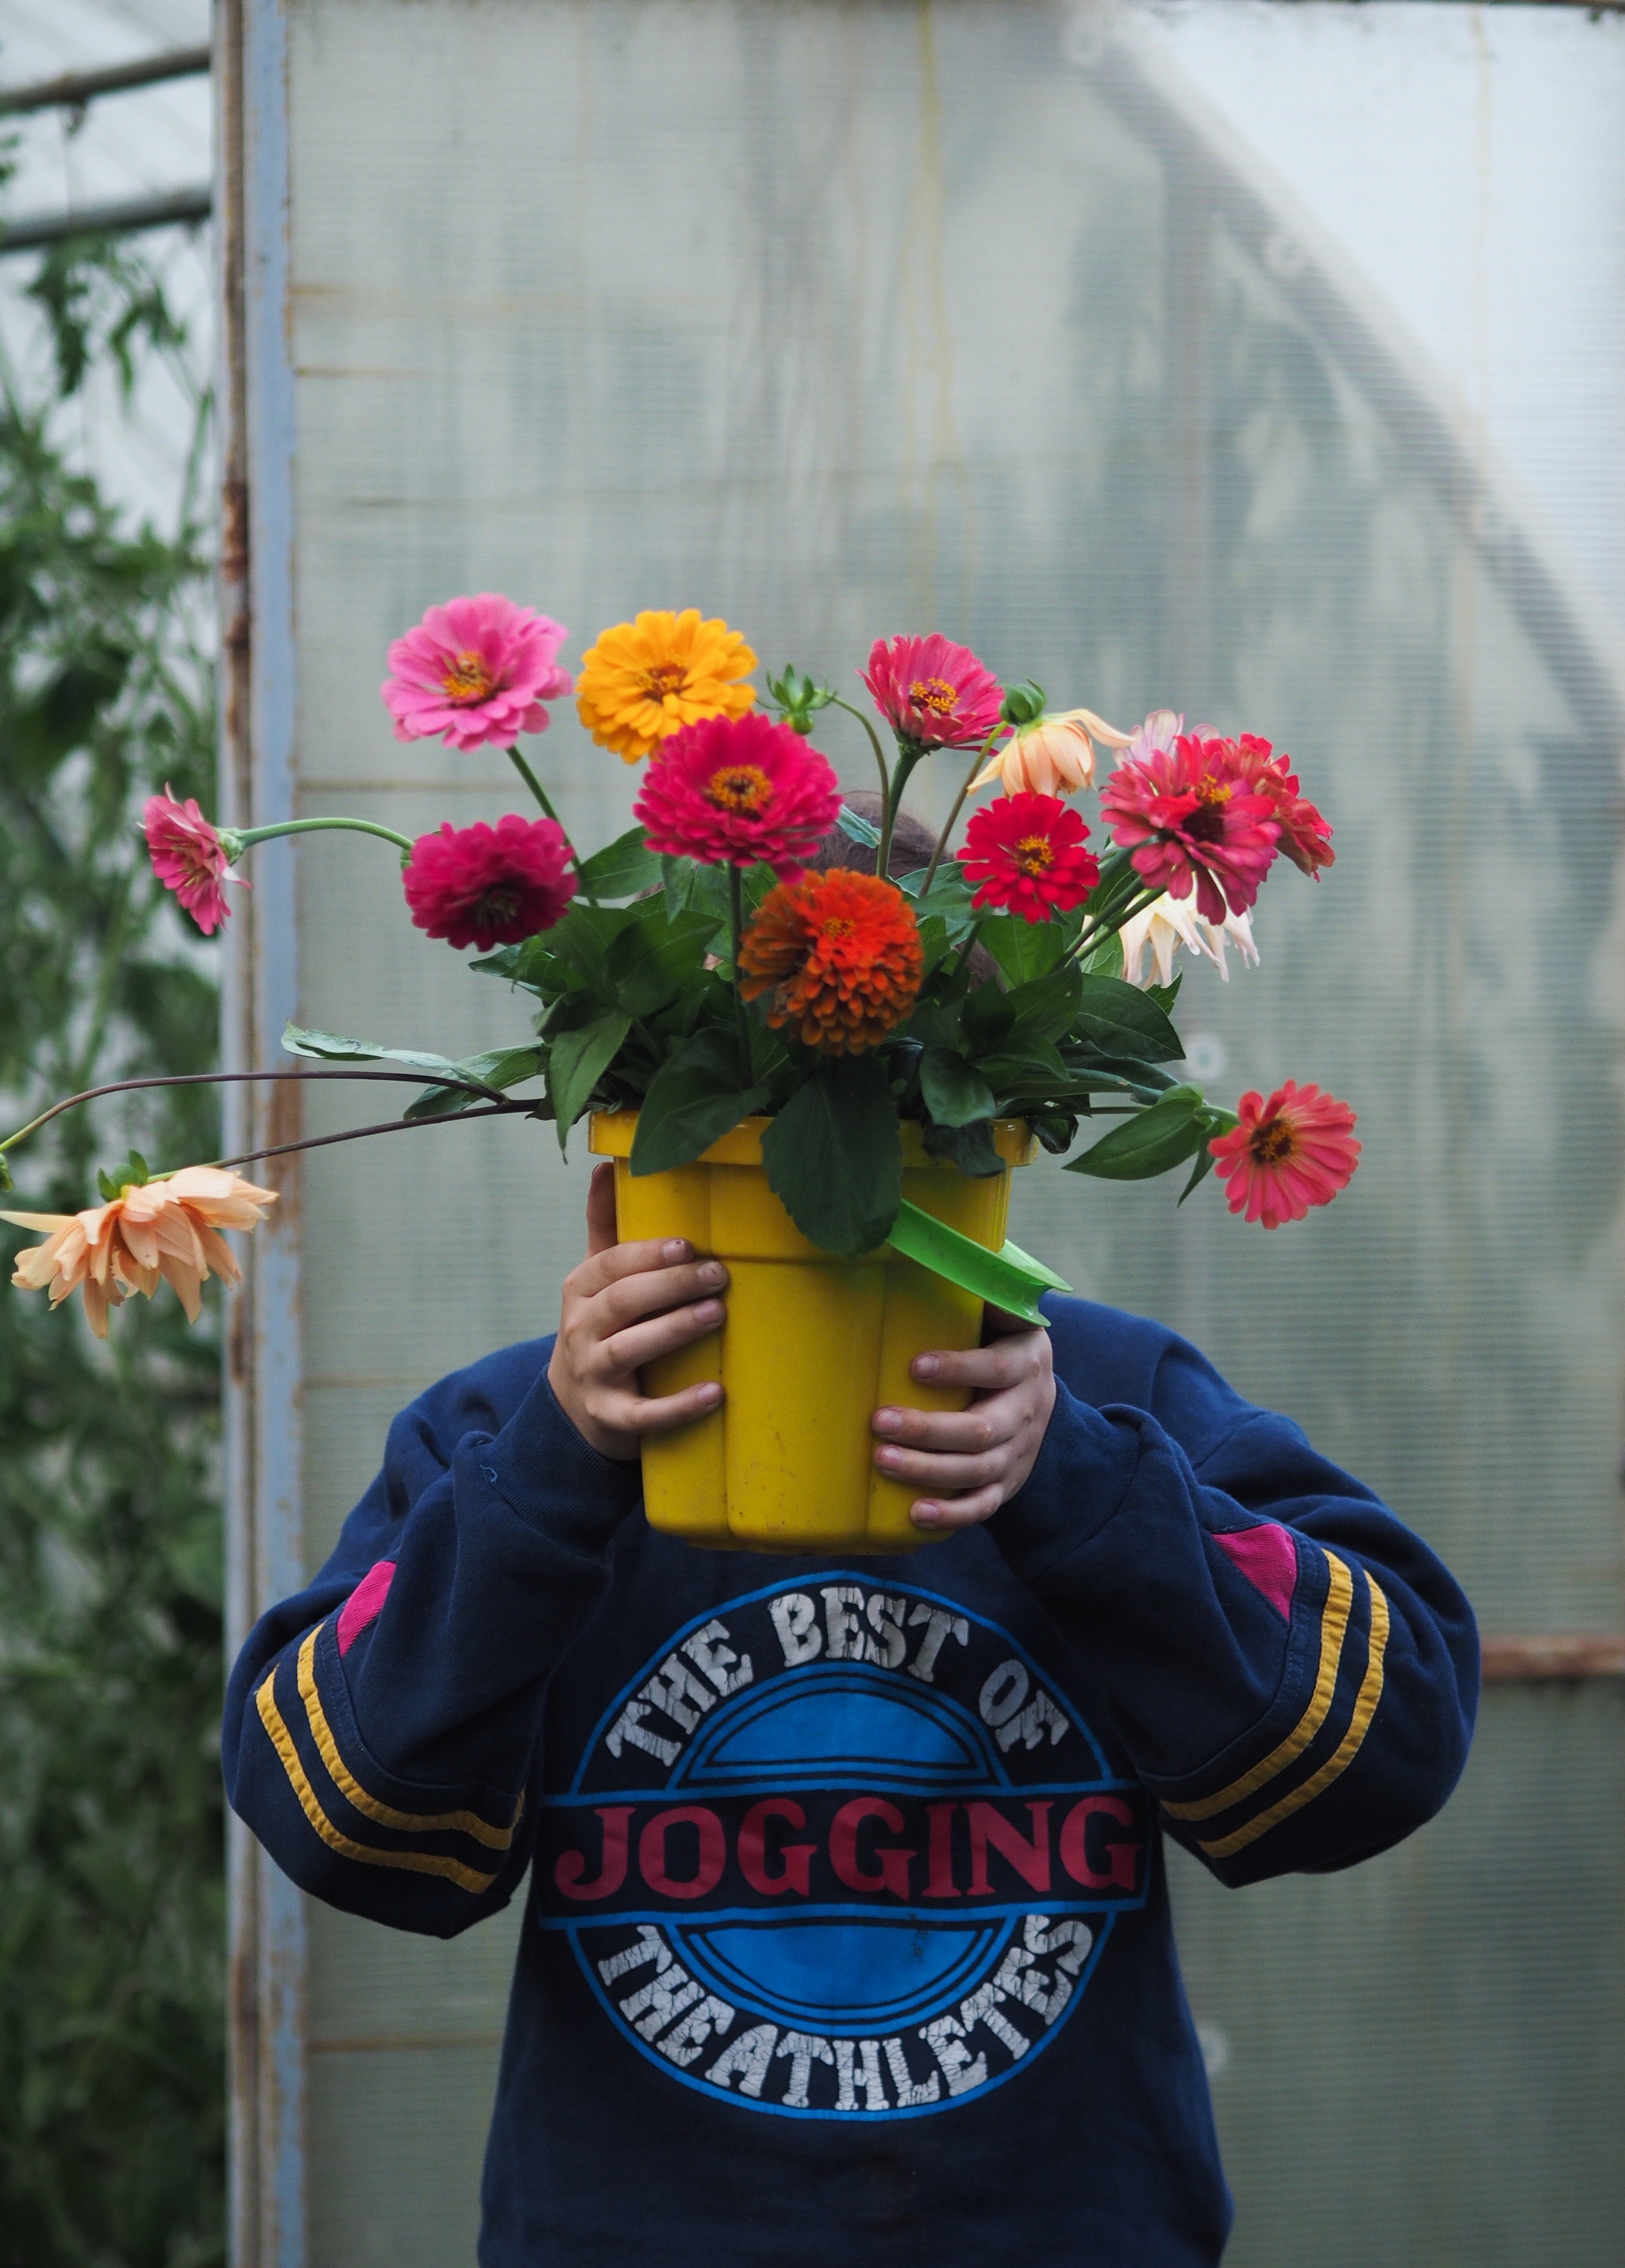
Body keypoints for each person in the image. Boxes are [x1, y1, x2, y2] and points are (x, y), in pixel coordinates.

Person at [223, 809, 1478, 2267]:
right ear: (612, 1195)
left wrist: (1071, 1476)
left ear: (978, 1168)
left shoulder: (1113, 1403)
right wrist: (560, 1474)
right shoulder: (516, 1440)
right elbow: (335, 1818)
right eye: (753, 1153)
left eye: (878, 1154)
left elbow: (1391, 1746)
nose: (822, 1217)